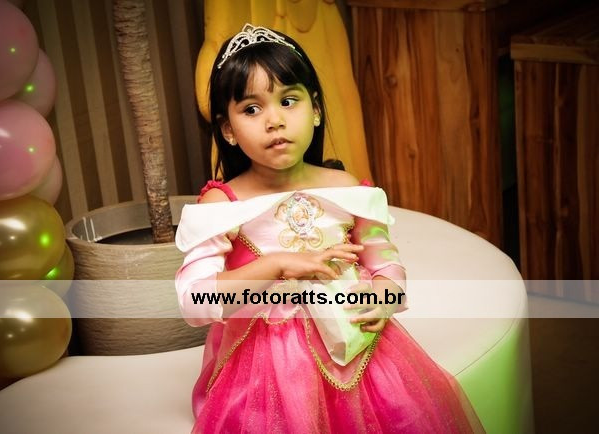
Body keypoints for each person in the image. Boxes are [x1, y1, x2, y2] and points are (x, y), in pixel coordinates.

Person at [175, 23, 483, 433]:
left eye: (289, 101)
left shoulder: (347, 189)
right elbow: (194, 302)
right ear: (228, 129)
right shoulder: (223, 205)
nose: (274, 120)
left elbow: (386, 264)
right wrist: (277, 265)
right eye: (251, 109)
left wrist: (384, 298)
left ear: (316, 110)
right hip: (268, 370)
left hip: (359, 351)